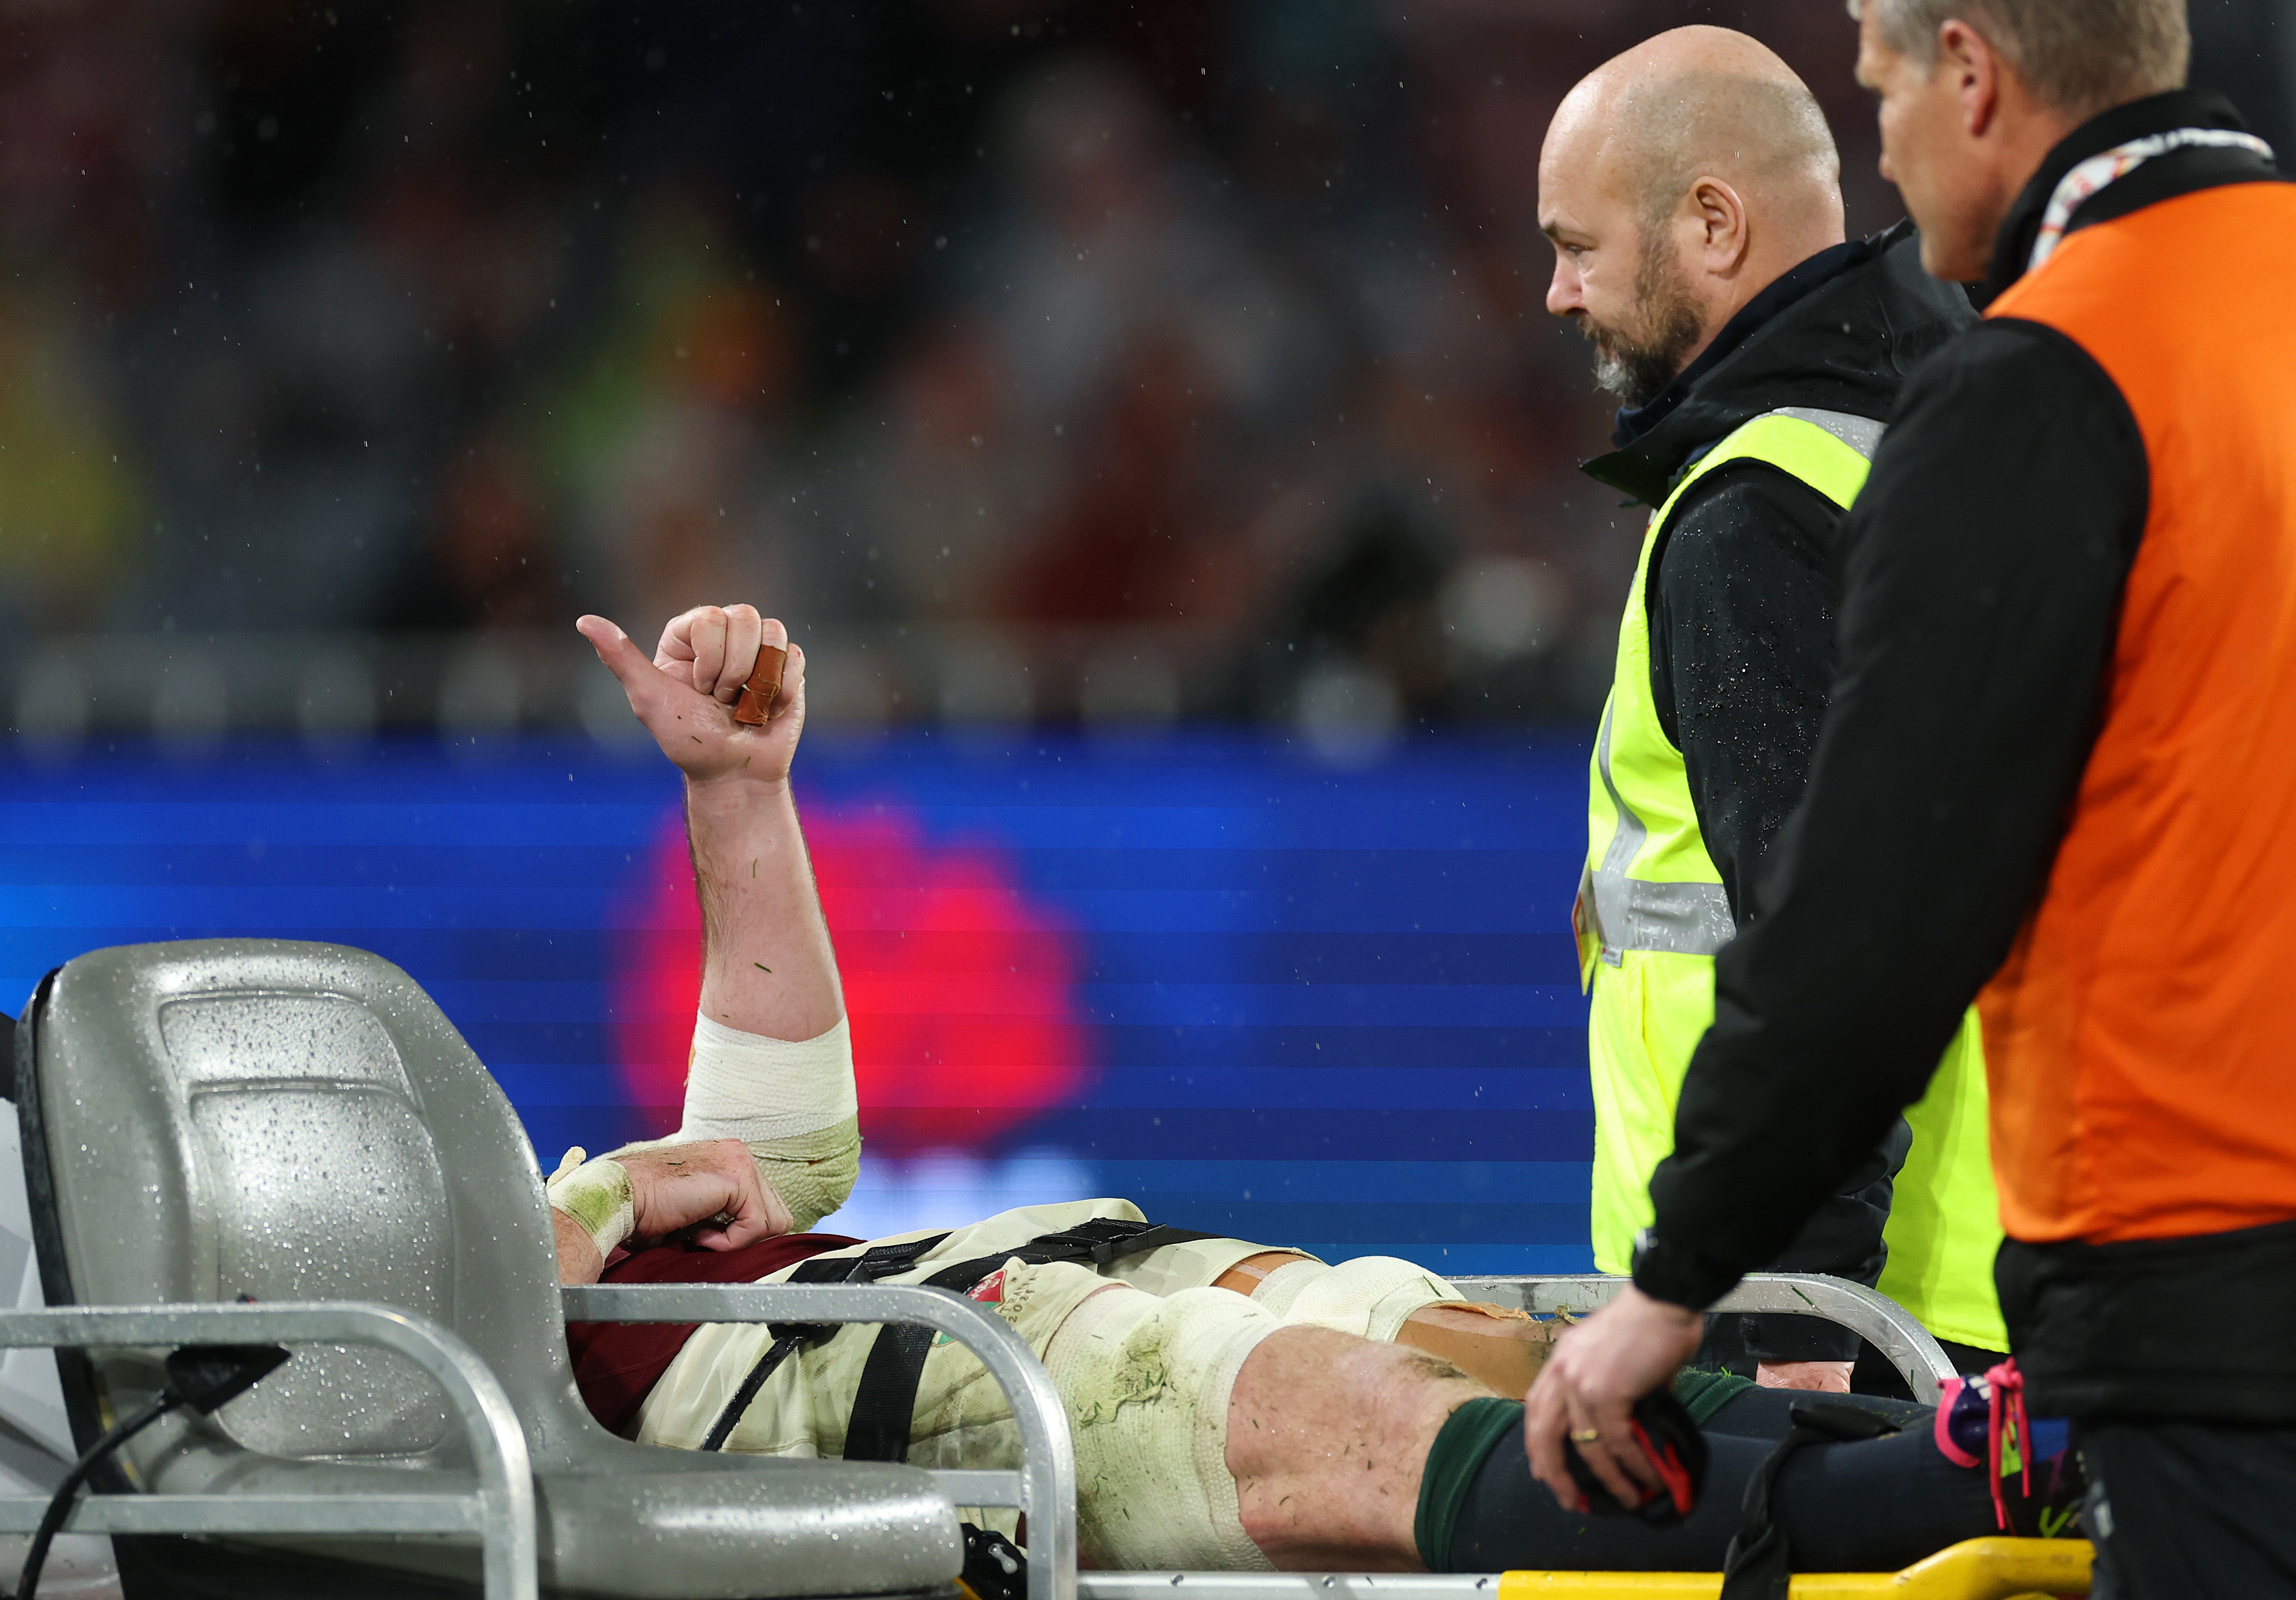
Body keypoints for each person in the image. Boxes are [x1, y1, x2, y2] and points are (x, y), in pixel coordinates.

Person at [551, 602, 2036, 1575]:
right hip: (780, 1390)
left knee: (1446, 1336)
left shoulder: (454, 1167)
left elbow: (781, 1164)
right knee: (1342, 1417)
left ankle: (1978, 1458)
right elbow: (444, 1334)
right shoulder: (431, 1223)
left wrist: (735, 791)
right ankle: (1939, 1498)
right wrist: (609, 1193)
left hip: (909, 1287)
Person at [1524, 2, 2296, 1593]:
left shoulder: (2045, 381)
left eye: (1880, 84)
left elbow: (1871, 911)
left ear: (1971, 72)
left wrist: (1709, 1280)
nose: (1877, 145)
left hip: (2161, 1287)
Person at [1546, 25, 2005, 1394]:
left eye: (1578, 246)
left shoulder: (1757, 514)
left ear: (1713, 223)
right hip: (2019, 1280)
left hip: (1850, 1321)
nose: (1559, 294)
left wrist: (1803, 1319)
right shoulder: (1967, 423)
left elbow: (1830, 949)